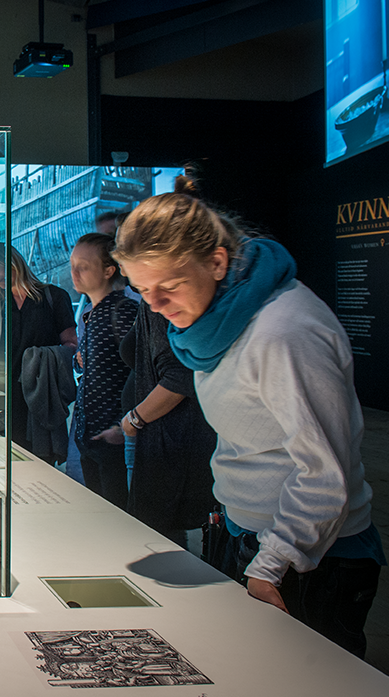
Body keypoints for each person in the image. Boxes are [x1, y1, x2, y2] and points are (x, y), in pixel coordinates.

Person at [113, 176, 384, 658]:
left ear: (218, 262)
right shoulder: (210, 327)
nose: (154, 304)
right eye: (142, 289)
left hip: (308, 557)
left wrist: (270, 564)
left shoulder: (283, 331)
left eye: (168, 286)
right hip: (249, 536)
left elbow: (327, 474)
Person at [97, 292, 215, 547]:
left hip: (161, 437)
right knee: (156, 535)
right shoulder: (149, 303)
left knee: (154, 538)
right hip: (151, 435)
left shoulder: (158, 303)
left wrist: (134, 420)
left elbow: (179, 378)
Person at [0, 243, 77, 463]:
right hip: (6, 399)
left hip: (42, 397)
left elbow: (71, 345)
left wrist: (45, 359)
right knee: (2, 464)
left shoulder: (54, 297)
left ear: (13, 262)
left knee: (41, 466)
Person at [69, 233, 137, 508]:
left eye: (83, 266)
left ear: (109, 270)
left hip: (113, 438)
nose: (74, 273)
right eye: (73, 265)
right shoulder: (92, 313)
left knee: (116, 515)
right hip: (92, 437)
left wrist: (123, 426)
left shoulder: (123, 311)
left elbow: (141, 372)